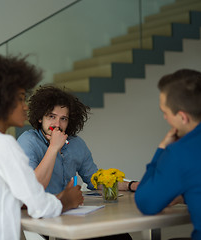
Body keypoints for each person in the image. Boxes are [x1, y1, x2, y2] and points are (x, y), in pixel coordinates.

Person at [0, 54, 83, 240]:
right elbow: (40, 207)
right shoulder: (2, 144)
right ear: (0, 101)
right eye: (20, 99)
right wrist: (67, 200)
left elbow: (1, 196)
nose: (26, 107)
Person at [17, 86, 134, 240]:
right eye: (51, 116)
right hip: (41, 219)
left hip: (70, 216)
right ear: (40, 118)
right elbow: (31, 189)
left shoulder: (76, 144)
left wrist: (131, 185)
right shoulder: (28, 141)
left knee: (120, 236)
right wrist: (53, 147)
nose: (57, 124)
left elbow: (95, 180)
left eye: (63, 118)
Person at [135, 69, 201, 240]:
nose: (164, 118)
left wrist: (162, 148)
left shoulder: (181, 151)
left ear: (182, 117)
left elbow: (146, 203)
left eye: (165, 112)